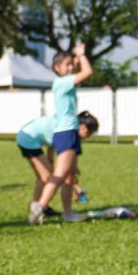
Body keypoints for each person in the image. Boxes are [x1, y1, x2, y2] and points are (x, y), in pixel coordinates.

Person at [28, 44, 94, 225]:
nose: (71, 67)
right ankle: (39, 206)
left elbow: (81, 75)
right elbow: (87, 72)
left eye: (72, 64)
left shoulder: (65, 82)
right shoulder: (62, 82)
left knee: (70, 176)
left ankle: (67, 213)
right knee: (60, 174)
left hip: (69, 131)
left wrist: (77, 59)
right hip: (66, 132)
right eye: (67, 64)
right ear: (57, 68)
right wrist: (81, 56)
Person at [17, 111, 98, 219]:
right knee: (46, 177)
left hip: (27, 137)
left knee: (45, 177)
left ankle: (39, 206)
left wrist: (51, 161)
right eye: (90, 133)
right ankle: (38, 208)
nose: (89, 136)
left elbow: (52, 145)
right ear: (83, 128)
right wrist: (76, 186)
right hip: (29, 140)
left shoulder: (65, 124)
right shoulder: (69, 131)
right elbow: (65, 170)